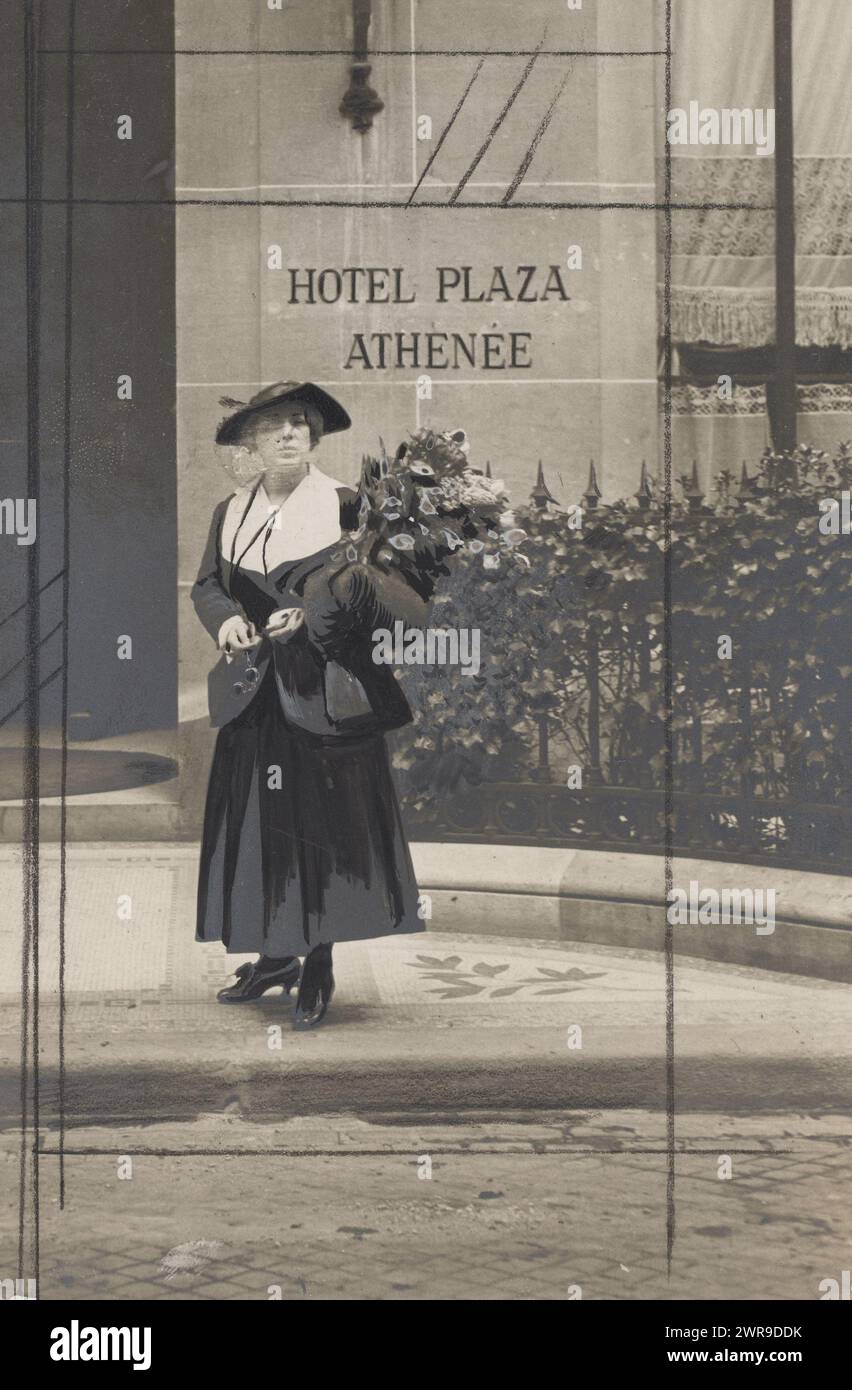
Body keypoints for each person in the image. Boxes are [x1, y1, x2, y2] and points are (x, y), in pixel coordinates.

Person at [192, 381, 431, 1027]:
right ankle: (275, 955)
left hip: (328, 695)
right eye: (274, 427)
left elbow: (386, 596)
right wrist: (227, 624)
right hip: (255, 696)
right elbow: (209, 585)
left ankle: (318, 960)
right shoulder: (230, 511)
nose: (290, 435)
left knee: (324, 825)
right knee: (258, 824)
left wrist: (315, 615)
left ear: (314, 438)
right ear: (251, 443)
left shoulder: (348, 507)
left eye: (300, 424)